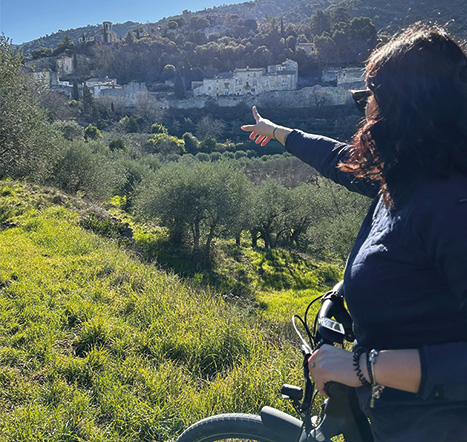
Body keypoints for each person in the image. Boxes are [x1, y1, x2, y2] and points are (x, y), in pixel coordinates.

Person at [241, 23, 467, 442]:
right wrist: (279, 133)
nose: (363, 109)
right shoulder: (410, 172)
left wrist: (365, 367)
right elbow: (337, 158)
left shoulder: (452, 205)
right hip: (393, 416)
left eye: (368, 97)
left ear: (402, 104)